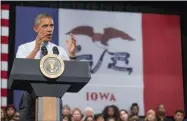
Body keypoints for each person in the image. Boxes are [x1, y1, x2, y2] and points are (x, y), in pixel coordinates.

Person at [16, 13, 77, 121]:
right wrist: (36, 49)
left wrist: (72, 55)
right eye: (45, 26)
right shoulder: (24, 48)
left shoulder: (58, 50)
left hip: (53, 96)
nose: (49, 29)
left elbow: (72, 73)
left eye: (51, 26)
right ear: (36, 28)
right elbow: (21, 69)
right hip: (29, 95)